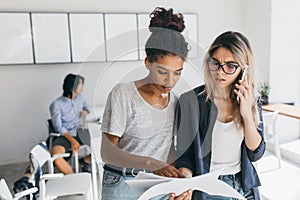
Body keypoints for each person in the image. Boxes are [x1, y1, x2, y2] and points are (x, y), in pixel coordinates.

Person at [101, 7, 192, 200]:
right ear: (148, 63)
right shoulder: (123, 94)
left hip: (157, 183)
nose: (170, 81)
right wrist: (150, 163)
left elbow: (168, 150)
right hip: (122, 182)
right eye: (162, 71)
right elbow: (107, 153)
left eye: (177, 72)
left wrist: (178, 181)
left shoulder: (174, 102)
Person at [175, 31, 265, 200]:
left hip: (245, 187)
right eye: (215, 63)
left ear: (243, 70)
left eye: (230, 66)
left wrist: (246, 114)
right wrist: (185, 180)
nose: (220, 72)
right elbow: (184, 157)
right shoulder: (190, 101)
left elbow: (256, 154)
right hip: (209, 188)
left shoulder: (251, 100)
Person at [49, 73, 91, 174]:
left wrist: (85, 111)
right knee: (56, 157)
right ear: (73, 86)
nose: (82, 87)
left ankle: (85, 161)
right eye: (80, 84)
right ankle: (74, 179)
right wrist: (72, 141)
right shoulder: (56, 104)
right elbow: (58, 127)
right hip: (64, 136)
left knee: (105, 144)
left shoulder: (80, 98)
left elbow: (87, 107)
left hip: (80, 132)